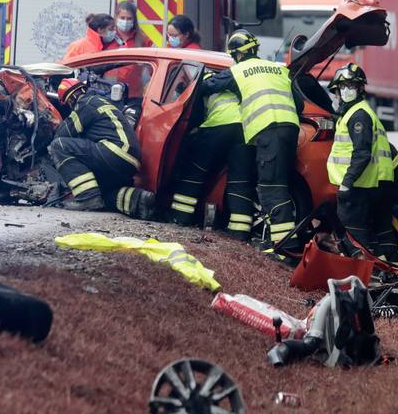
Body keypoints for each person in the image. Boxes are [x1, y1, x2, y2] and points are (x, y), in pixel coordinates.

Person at [200, 30, 301, 256]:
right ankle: (284, 242)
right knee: (280, 182)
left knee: (271, 188)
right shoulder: (278, 68)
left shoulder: (239, 70)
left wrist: (203, 79)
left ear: (236, 54)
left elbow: (210, 86)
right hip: (290, 129)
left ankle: (285, 246)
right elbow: (300, 103)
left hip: (267, 129)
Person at [49, 78, 155, 218]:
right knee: (102, 193)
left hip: (113, 151)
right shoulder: (101, 102)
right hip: (129, 161)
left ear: (70, 99)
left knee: (59, 146)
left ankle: (87, 198)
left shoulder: (84, 104)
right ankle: (139, 199)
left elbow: (61, 135)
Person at [167, 78, 257, 240]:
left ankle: (180, 217)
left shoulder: (205, 83)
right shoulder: (239, 83)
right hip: (245, 130)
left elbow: (193, 115)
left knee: (194, 172)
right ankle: (240, 232)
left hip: (218, 126)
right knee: (240, 181)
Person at [325, 63, 396, 260]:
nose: (347, 91)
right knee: (374, 234)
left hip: (358, 185)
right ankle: (385, 271)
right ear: (337, 91)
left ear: (360, 89)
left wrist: (347, 182)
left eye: (351, 86)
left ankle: (367, 274)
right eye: (343, 87)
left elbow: (361, 153)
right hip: (370, 182)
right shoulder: (352, 113)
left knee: (355, 234)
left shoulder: (358, 115)